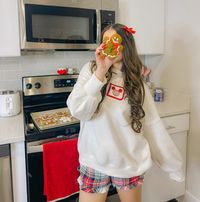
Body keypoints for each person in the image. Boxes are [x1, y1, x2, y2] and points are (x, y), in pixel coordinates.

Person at [66, 23, 184, 202]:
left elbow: (153, 126)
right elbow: (78, 111)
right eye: (106, 41)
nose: (110, 46)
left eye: (115, 41)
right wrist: (100, 72)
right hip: (94, 160)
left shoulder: (137, 84)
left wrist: (173, 165)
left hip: (129, 162)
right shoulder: (90, 70)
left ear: (125, 46)